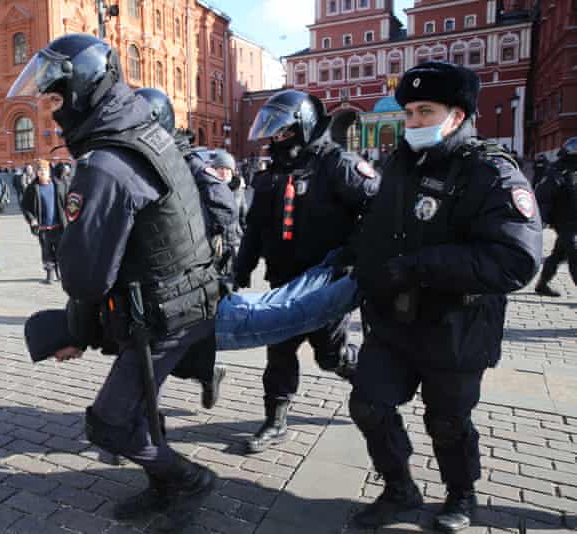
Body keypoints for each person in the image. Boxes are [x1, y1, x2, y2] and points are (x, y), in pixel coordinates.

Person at [9, 34, 222, 531]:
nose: (53, 112)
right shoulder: (144, 133)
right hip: (179, 298)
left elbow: (85, 277)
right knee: (140, 407)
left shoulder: (105, 163)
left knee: (108, 423)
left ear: (84, 91)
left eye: (58, 100)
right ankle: (164, 485)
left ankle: (187, 480)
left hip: (164, 310)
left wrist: (75, 331)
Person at [347, 62, 542, 532]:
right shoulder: (400, 163)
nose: (412, 122)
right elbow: (380, 230)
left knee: (448, 421)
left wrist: (419, 266)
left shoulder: (489, 172)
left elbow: (516, 260)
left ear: (457, 115)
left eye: (424, 111)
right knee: (368, 404)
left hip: (456, 326)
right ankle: (399, 488)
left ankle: (461, 494)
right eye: (408, 112)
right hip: (394, 321)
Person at [236, 89, 379, 453]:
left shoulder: (338, 164)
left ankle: (373, 384)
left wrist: (355, 253)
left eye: (283, 131)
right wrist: (239, 271)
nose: (276, 138)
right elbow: (254, 229)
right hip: (283, 282)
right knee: (279, 350)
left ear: (303, 126)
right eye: (274, 132)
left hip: (325, 283)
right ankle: (275, 421)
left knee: (329, 355)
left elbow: (379, 207)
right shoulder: (271, 175)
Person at [134, 87, 229, 410]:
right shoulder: (142, 158)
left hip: (189, 273)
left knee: (182, 343)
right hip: (153, 270)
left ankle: (208, 374)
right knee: (145, 350)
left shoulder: (188, 161)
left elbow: (224, 207)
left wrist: (217, 251)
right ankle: (144, 423)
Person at [534, 137, 577, 297]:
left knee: (559, 253)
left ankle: (542, 284)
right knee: (574, 252)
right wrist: (542, 220)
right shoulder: (557, 170)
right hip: (564, 220)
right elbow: (543, 196)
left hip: (574, 218)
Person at [22, 159, 67, 284]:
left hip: (58, 226)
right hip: (43, 228)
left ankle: (61, 274)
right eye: (39, 170)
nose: (42, 172)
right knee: (46, 252)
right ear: (36, 172)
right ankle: (50, 273)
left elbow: (67, 202)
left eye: (45, 170)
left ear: (49, 172)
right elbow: (25, 207)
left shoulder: (59, 185)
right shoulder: (32, 188)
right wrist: (32, 219)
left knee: (60, 251)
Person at [211, 150, 247, 278]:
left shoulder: (239, 190)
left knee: (234, 280)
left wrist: (246, 237)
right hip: (216, 243)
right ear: (215, 170)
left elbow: (243, 214)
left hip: (234, 241)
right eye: (221, 168)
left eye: (228, 169)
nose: (224, 172)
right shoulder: (208, 189)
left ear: (232, 171)